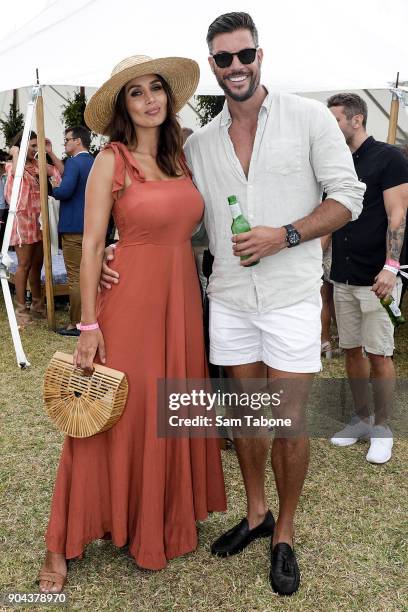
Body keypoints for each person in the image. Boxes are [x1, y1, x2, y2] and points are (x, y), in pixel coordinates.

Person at [101, 13, 365, 596]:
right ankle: (255, 514)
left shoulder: (308, 118)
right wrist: (113, 250)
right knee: (246, 418)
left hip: (293, 296)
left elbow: (348, 197)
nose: (236, 67)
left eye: (243, 55)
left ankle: (285, 533)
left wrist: (287, 234)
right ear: (214, 67)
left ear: (260, 55)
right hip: (229, 301)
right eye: (223, 59)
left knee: (289, 423)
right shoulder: (199, 143)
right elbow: (182, 220)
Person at [38, 55, 226, 594]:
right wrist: (89, 323)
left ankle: (161, 523)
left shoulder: (183, 157)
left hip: (182, 301)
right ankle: (60, 542)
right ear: (124, 107)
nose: (150, 100)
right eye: (136, 93)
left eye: (156, 89)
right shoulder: (110, 161)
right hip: (132, 304)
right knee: (110, 414)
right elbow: (93, 243)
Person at [327, 93, 408, 463]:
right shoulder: (335, 161)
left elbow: (398, 214)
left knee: (380, 354)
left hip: (379, 277)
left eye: (335, 120)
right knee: (352, 351)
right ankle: (360, 420)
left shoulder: (389, 157)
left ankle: (383, 429)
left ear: (356, 120)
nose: (331, 127)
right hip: (342, 274)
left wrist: (392, 267)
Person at [5, 131, 61, 327]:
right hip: (23, 221)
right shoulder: (13, 166)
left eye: (38, 146)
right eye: (33, 146)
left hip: (39, 221)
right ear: (21, 146)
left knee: (37, 264)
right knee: (24, 264)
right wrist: (15, 155)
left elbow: (58, 175)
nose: (36, 150)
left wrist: (49, 153)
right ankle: (21, 308)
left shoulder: (37, 165)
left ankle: (37, 304)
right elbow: (13, 198)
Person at [52, 126, 94, 337]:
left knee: (76, 277)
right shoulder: (95, 161)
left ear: (78, 141)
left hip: (73, 228)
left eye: (67, 139)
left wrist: (54, 187)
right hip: (93, 228)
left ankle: (77, 323)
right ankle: (92, 318)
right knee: (91, 275)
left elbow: (65, 191)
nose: (65, 143)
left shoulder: (74, 162)